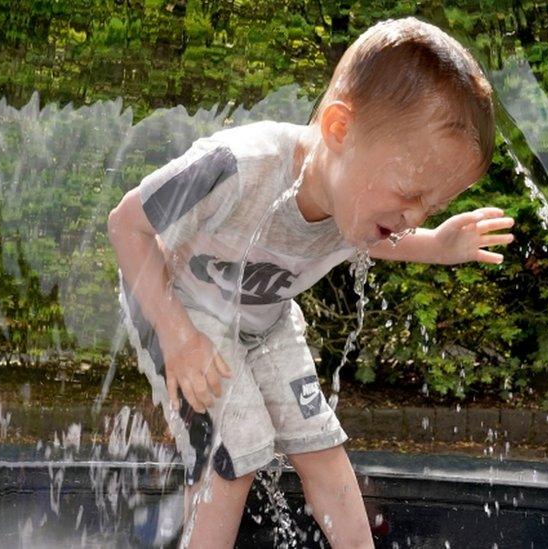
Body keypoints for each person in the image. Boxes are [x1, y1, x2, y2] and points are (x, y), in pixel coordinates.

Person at [107, 16, 514, 548]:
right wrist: (178, 337)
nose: (413, 216)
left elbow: (371, 238)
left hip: (265, 321)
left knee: (320, 447)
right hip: (177, 304)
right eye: (410, 193)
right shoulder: (236, 166)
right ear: (340, 130)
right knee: (237, 454)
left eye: (431, 206)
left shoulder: (356, 202)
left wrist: (436, 245)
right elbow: (126, 224)